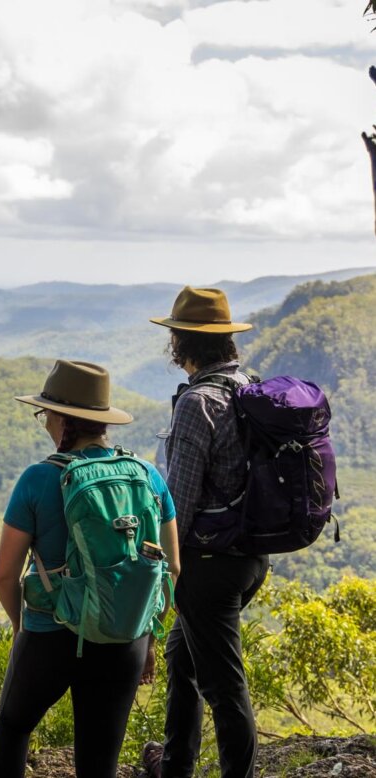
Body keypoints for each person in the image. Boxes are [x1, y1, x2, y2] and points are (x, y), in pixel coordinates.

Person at [0, 360, 180, 778]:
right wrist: (146, 637)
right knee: (99, 757)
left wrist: (24, 628)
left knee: (13, 728)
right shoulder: (148, 476)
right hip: (123, 636)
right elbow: (172, 569)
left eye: (46, 414)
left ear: (63, 419)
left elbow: (4, 575)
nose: (44, 423)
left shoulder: (38, 479)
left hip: (50, 632)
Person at [142, 287, 269, 778]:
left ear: (181, 343)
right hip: (250, 557)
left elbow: (181, 504)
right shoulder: (249, 387)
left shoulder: (199, 402)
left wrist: (160, 571)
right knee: (183, 660)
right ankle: (175, 765)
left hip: (211, 565)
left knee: (223, 687)